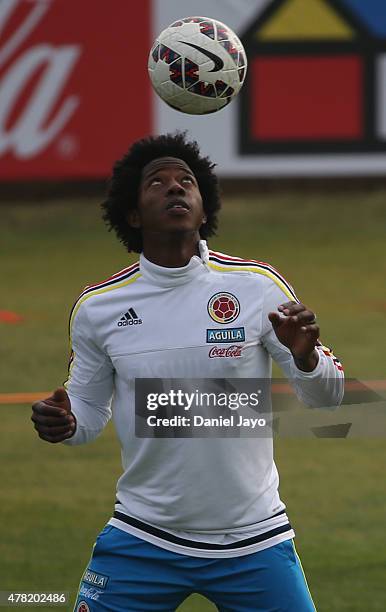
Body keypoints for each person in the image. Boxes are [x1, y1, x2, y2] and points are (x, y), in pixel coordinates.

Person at [31, 132, 344, 612]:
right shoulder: (99, 308)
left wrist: (306, 359)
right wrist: (67, 422)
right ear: (133, 214)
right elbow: (89, 410)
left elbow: (328, 398)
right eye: (158, 182)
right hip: (144, 536)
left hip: (254, 541)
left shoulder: (257, 287)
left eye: (187, 182)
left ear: (204, 209)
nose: (176, 188)